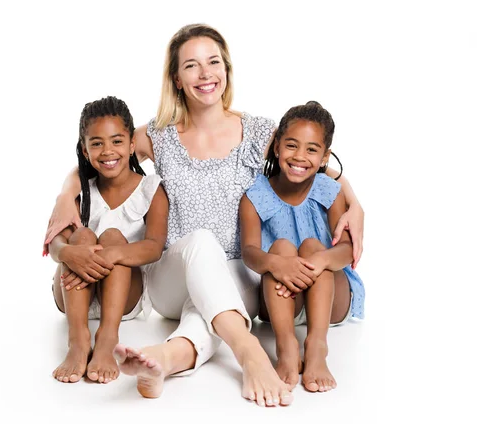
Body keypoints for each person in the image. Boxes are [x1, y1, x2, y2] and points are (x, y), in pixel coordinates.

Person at [43, 24, 364, 407]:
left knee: (211, 306)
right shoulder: (159, 134)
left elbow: (312, 164)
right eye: (191, 66)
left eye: (213, 62)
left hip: (239, 274)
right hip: (172, 275)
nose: (205, 73)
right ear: (177, 78)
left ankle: (162, 360)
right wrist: (66, 193)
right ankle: (249, 353)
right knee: (202, 244)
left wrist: (356, 205)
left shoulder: (259, 132)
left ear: (226, 70)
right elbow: (106, 156)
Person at [239, 101, 365, 393]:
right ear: (277, 147)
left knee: (311, 246)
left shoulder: (329, 190)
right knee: (281, 248)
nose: (299, 156)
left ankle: (317, 347)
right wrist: (276, 264)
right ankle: (286, 347)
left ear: (324, 157)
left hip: (330, 297)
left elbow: (347, 249)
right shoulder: (256, 195)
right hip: (283, 299)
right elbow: (249, 252)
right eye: (292, 146)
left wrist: (319, 261)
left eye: (311, 149)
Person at [48, 96, 169, 385]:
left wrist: (112, 255)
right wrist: (69, 254)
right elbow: (55, 241)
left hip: (123, 299)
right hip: (74, 295)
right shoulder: (81, 192)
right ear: (84, 150)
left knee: (114, 237)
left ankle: (106, 338)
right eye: (97, 143)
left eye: (116, 141)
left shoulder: (151, 189)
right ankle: (78, 341)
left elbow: (154, 247)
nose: (107, 151)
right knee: (82, 236)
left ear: (131, 145)